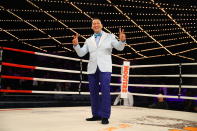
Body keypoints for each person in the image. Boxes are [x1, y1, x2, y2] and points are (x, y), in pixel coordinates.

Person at [72, 18, 126, 124]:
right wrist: (76, 45)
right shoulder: (88, 40)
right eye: (94, 23)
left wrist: (122, 41)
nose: (96, 25)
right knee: (93, 92)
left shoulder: (109, 36)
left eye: (97, 23)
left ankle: (105, 116)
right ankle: (96, 114)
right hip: (92, 69)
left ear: (101, 25)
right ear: (92, 27)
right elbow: (81, 53)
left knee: (105, 91)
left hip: (105, 68)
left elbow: (119, 48)